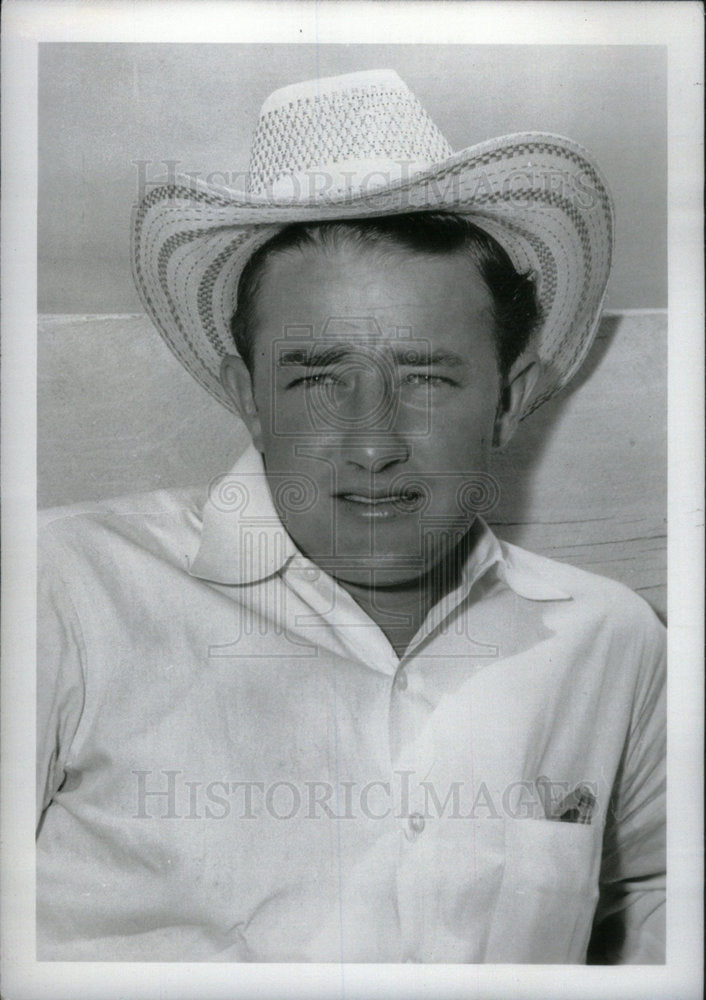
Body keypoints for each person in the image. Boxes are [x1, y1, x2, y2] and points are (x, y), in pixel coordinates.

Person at [37, 69, 665, 963]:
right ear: (247, 397)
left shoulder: (615, 640)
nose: (374, 443)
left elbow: (658, 889)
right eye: (318, 377)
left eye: (426, 376)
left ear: (511, 398)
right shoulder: (58, 587)